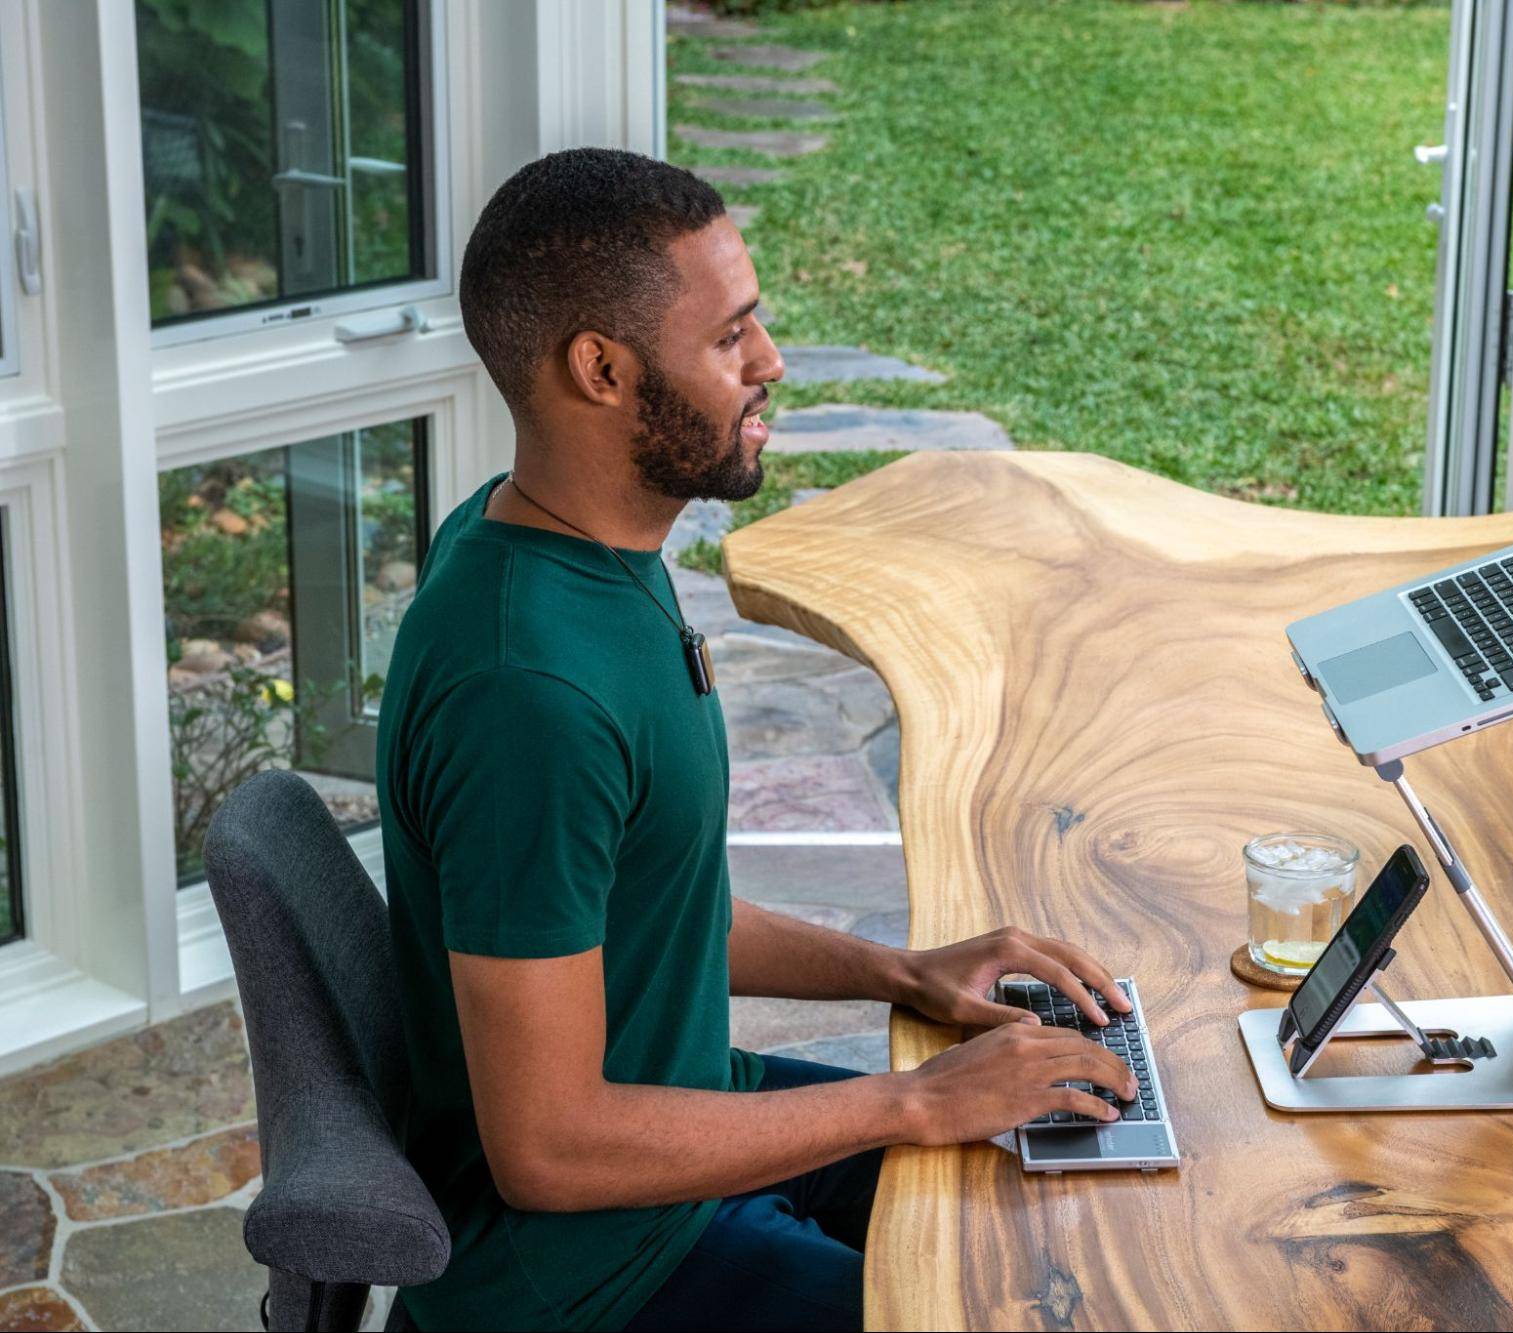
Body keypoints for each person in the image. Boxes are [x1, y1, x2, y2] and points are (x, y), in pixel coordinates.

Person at [376, 147, 1138, 1333]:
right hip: (593, 1275)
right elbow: (550, 1147)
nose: (769, 365)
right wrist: (909, 1102)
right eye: (731, 337)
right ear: (603, 369)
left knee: (1084, 1194)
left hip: (688, 1137)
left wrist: (903, 971)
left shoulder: (567, 547)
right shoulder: (527, 688)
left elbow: (652, 900)